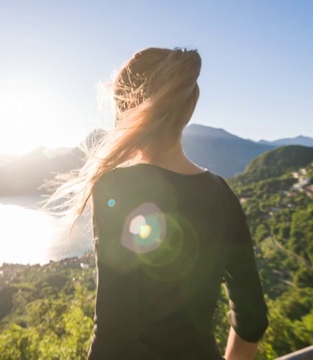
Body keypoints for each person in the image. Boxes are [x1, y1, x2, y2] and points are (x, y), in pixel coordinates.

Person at [49, 47, 268, 359]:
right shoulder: (221, 193)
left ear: (125, 109)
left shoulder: (117, 187)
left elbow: (113, 331)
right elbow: (253, 318)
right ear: (187, 109)